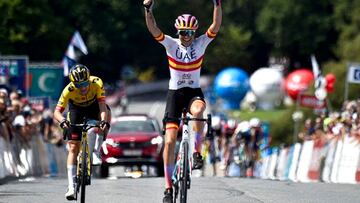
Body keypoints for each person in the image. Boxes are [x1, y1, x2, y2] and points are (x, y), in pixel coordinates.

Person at [143, 0, 222, 202]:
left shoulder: (201, 43)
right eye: (182, 33)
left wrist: (217, 4)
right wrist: (148, 10)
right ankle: (168, 188)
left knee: (197, 112)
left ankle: (196, 153)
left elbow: (215, 26)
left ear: (194, 33)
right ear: (177, 32)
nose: (185, 37)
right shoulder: (170, 43)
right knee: (169, 142)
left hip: (193, 92)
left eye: (189, 33)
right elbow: (153, 29)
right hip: (175, 95)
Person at [53, 64, 110, 200]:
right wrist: (62, 121)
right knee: (73, 147)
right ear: (73, 84)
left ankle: (96, 150)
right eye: (79, 85)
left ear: (88, 79)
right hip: (76, 110)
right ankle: (71, 186)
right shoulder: (69, 90)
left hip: (94, 107)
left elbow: (102, 105)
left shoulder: (97, 83)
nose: (83, 88)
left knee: (104, 118)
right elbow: (56, 112)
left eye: (85, 83)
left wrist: (102, 121)